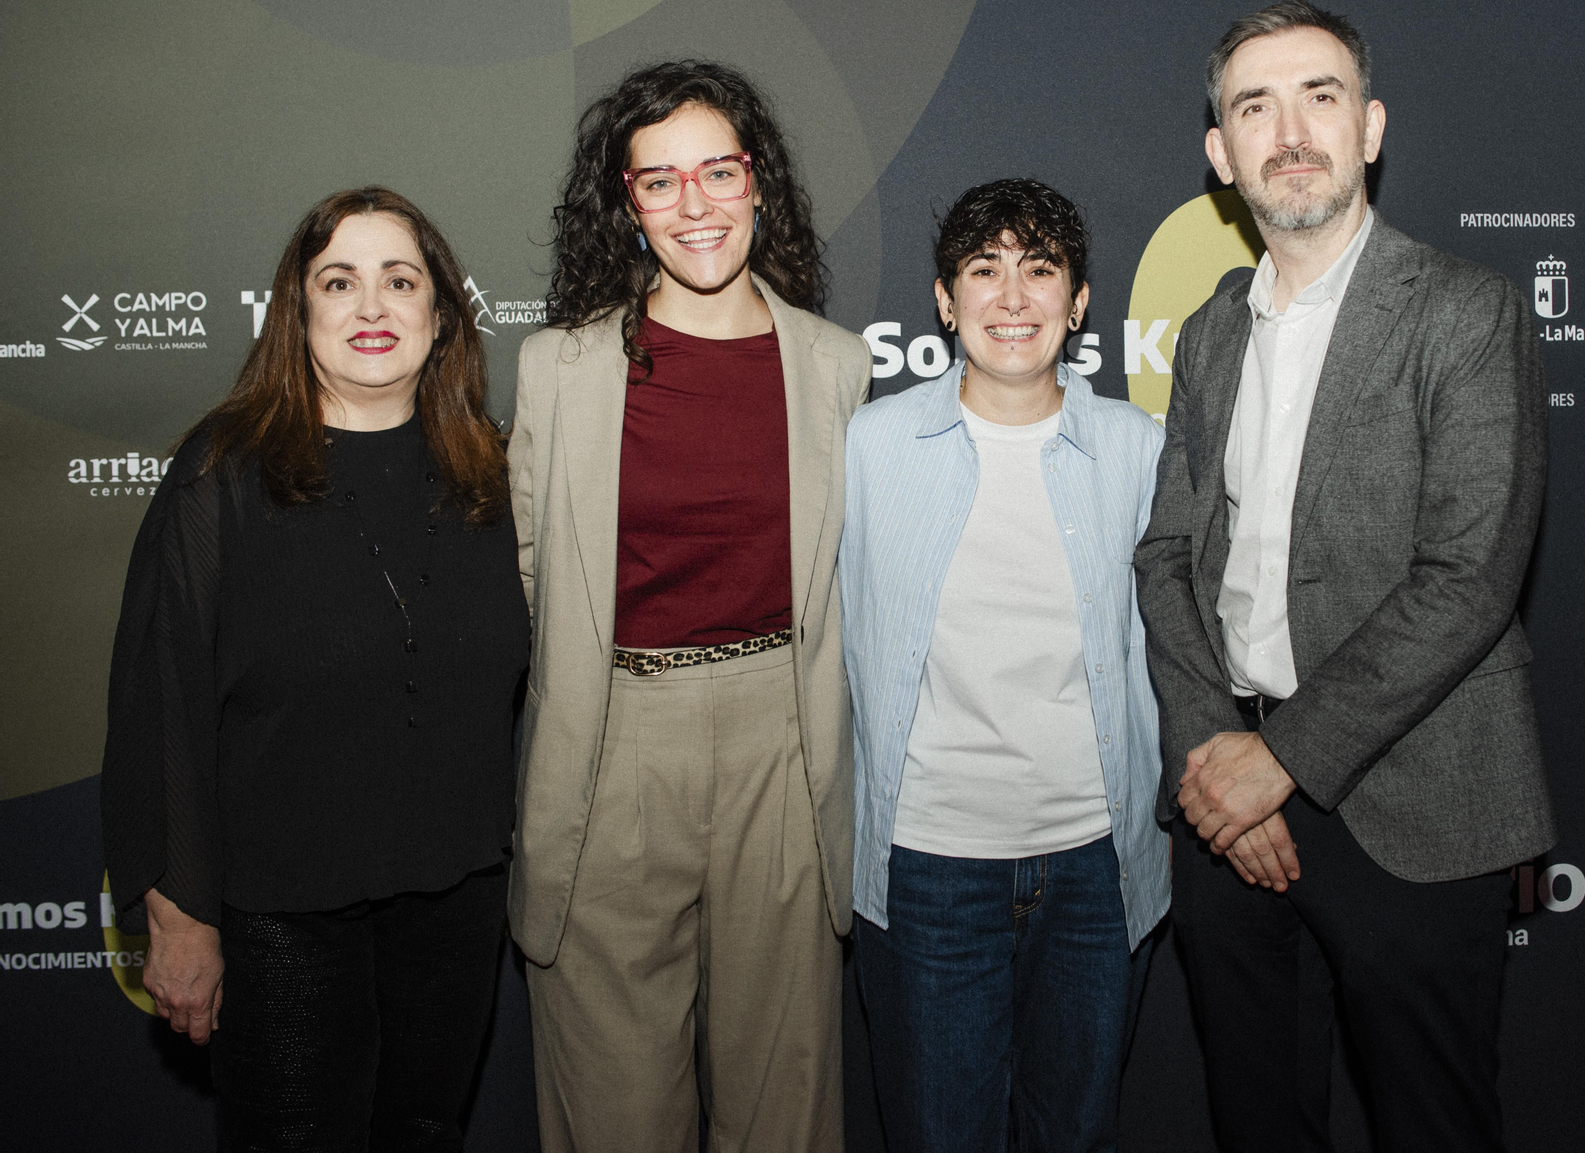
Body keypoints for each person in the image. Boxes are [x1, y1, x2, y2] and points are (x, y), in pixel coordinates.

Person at [1133, 0, 1556, 1151]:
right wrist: (1214, 751)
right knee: (1258, 1125)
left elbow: (1467, 578)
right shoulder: (1214, 327)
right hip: (1230, 812)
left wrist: (1282, 758)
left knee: (1432, 1127)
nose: (1289, 131)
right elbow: (1167, 554)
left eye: (1318, 97)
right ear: (1220, 157)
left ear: (1367, 127)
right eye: (1252, 106)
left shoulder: (1465, 312)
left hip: (1411, 807)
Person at [100, 186, 529, 1151]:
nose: (372, 308)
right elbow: (161, 703)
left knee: (424, 1132)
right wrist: (179, 915)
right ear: (298, 315)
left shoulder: (490, 478)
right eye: (340, 281)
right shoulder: (225, 471)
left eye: (400, 281)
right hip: (280, 913)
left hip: (455, 904)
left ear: (442, 315)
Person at [509, 59, 871, 1153]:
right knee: (613, 1108)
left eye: (718, 171)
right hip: (610, 741)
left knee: (783, 1105)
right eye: (659, 182)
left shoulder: (835, 366)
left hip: (785, 745)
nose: (695, 204)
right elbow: (528, 569)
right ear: (625, 204)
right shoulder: (556, 368)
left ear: (759, 184)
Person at [842, 179, 1170, 1153]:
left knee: (1074, 1133)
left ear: (1076, 302)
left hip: (1093, 866)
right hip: (929, 864)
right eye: (983, 270)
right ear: (944, 300)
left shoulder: (1138, 451)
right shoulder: (870, 445)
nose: (1011, 296)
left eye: (1039, 270)